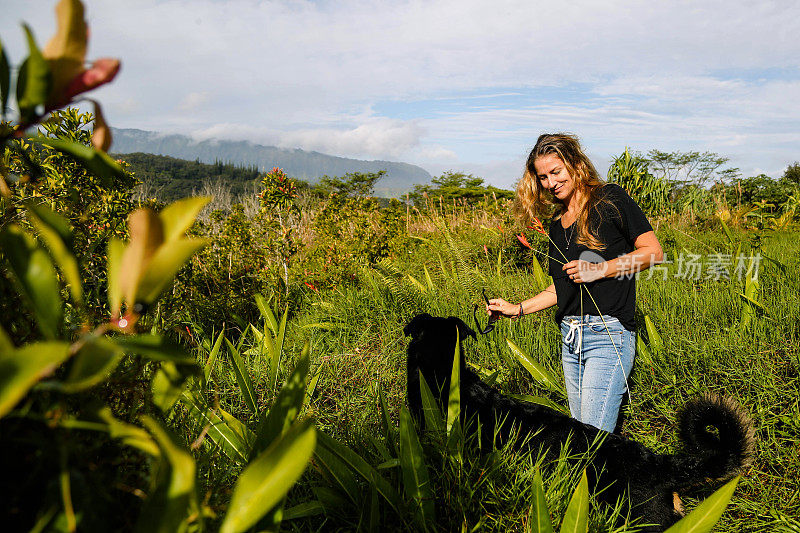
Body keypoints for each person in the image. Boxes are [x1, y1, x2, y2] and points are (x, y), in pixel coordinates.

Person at [487, 133, 663, 433]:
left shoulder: (610, 199)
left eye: (556, 172)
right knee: (582, 436)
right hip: (570, 338)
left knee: (593, 441)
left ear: (575, 164)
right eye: (542, 177)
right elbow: (561, 287)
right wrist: (517, 309)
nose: (550, 183)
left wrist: (601, 269)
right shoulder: (557, 224)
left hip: (607, 334)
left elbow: (653, 253)